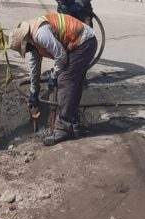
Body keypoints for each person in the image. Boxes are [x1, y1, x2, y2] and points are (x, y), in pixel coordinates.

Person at [9, 12, 97, 146]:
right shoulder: (33, 40)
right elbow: (34, 66)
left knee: (65, 80)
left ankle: (63, 129)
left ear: (26, 42)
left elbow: (61, 56)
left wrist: (54, 75)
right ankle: (73, 124)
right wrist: (33, 91)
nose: (26, 51)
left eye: (24, 49)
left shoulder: (40, 35)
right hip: (83, 43)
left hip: (84, 43)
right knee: (73, 83)